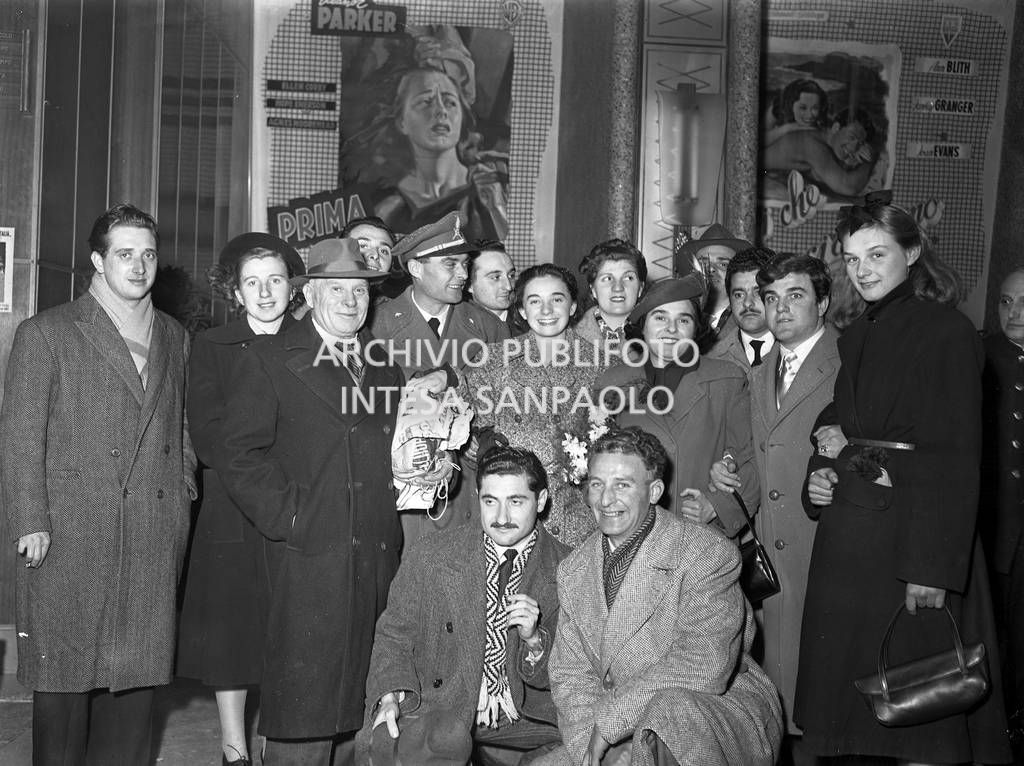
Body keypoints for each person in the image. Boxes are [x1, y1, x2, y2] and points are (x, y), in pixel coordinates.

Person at [799, 192, 1011, 762]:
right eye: (850, 258)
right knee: (859, 726)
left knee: (919, 717)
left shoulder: (944, 332)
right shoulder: (862, 330)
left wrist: (931, 570)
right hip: (857, 542)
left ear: (913, 252)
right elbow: (840, 423)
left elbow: (951, 457)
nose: (862, 270)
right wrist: (819, 476)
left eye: (876, 254)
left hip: (907, 551)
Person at [0, 203, 197, 765]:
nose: (138, 266)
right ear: (97, 260)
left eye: (148, 255)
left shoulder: (175, 337)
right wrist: (30, 520)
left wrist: (180, 491)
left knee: (134, 690)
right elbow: (20, 437)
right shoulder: (48, 333)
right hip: (70, 532)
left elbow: (183, 429)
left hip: (150, 534)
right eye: (124, 254)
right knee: (64, 688)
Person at [218, 238, 406, 765]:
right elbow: (239, 455)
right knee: (303, 718)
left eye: (360, 290)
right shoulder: (272, 359)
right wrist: (291, 516)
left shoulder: (384, 365)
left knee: (362, 717)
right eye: (336, 288)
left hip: (373, 555)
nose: (350, 301)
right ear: (310, 293)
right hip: (306, 557)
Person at [536, 427, 782, 765]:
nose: (606, 499)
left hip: (708, 719)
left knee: (667, 715)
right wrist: (595, 749)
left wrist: (611, 725)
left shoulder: (705, 553)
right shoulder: (574, 570)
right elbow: (570, 676)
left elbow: (703, 664)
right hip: (612, 730)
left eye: (622, 484)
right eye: (597, 484)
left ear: (654, 491)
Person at [175, 232, 305, 766]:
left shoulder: (314, 342)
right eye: (253, 283)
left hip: (299, 502)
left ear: (293, 287)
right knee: (232, 631)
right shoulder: (213, 347)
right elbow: (208, 435)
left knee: (288, 625)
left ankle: (284, 741)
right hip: (231, 505)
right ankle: (234, 747)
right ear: (236, 291)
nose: (265, 292)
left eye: (275, 280)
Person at [358, 446, 568, 764]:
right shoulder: (431, 555)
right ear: (478, 496)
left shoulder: (569, 568)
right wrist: (389, 696)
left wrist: (535, 641)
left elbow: (574, 672)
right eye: (490, 502)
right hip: (444, 704)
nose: (501, 518)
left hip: (530, 714)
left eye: (516, 502)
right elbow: (393, 635)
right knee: (393, 745)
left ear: (540, 501)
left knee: (603, 746)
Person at [708, 253, 840, 758]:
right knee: (776, 682)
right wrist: (731, 475)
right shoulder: (760, 373)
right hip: (769, 546)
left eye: (796, 295)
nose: (780, 309)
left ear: (824, 302)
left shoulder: (848, 363)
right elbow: (757, 458)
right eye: (772, 298)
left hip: (823, 540)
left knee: (822, 684)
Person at [372, 211, 509, 544]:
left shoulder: (488, 326)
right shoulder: (377, 326)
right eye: (451, 265)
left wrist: (486, 439)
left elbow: (510, 400)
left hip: (469, 498)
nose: (463, 274)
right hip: (403, 495)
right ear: (416, 268)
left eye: (464, 263)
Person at [597, 275, 759, 538]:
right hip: (631, 535)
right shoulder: (613, 382)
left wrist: (716, 506)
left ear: (696, 329)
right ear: (643, 325)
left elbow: (751, 459)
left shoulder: (726, 380)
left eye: (683, 320)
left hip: (700, 538)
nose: (671, 329)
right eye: (660, 318)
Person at [461, 264, 609, 548]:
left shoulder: (602, 366)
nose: (546, 310)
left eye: (557, 299)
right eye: (535, 301)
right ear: (522, 311)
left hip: (580, 519)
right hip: (511, 518)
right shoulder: (493, 360)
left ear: (573, 305)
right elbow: (471, 436)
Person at [367, 53, 509, 242]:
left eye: (450, 102)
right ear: (402, 122)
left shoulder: (497, 182)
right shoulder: (385, 208)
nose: (441, 111)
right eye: (425, 102)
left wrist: (497, 209)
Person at [981, 267, 1024, 752]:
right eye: (1006, 302)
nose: (1015, 313)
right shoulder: (979, 355)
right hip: (992, 524)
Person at [762, 107, 878, 198]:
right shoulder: (813, 145)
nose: (854, 148)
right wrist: (869, 160)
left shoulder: (822, 138)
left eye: (860, 143)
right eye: (852, 137)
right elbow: (848, 187)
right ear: (836, 128)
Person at [672, 223, 752, 336]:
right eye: (703, 263)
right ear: (693, 270)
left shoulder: (750, 325)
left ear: (738, 274)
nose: (711, 269)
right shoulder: (676, 320)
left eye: (723, 264)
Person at [707, 246, 776, 372]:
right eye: (739, 295)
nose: (747, 303)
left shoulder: (797, 350)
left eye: (758, 292)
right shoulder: (712, 358)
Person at [574, 239, 647, 353]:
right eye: (607, 278)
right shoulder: (569, 341)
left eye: (628, 278)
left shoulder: (656, 338)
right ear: (593, 289)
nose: (618, 287)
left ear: (640, 288)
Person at [340, 215, 409, 301]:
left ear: (391, 265)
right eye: (363, 245)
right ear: (340, 253)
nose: (375, 255)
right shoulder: (321, 303)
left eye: (384, 251)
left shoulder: (393, 311)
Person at [467, 238, 521, 335]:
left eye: (511, 275)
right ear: (469, 285)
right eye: (496, 277)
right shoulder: (457, 327)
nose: (508, 286)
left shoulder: (530, 324)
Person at [763, 78, 829, 146]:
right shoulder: (778, 107)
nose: (809, 115)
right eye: (803, 108)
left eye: (815, 108)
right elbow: (760, 139)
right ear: (791, 105)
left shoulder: (823, 119)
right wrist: (788, 128)